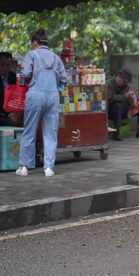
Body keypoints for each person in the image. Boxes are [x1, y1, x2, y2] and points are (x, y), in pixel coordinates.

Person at [16, 29, 67, 177]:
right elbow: (64, 79)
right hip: (52, 96)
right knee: (50, 133)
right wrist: (55, 88)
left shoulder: (31, 55)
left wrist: (22, 78)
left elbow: (25, 75)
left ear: (35, 42)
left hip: (35, 95)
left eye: (31, 43)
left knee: (29, 130)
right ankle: (49, 168)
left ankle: (24, 166)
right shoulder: (56, 58)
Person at [105, 70, 139, 140]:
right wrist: (125, 96)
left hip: (125, 109)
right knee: (117, 106)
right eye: (123, 81)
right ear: (118, 78)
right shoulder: (109, 84)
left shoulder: (126, 85)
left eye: (126, 82)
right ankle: (117, 133)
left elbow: (130, 99)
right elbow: (110, 98)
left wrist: (133, 98)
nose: (124, 83)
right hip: (112, 110)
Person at [0, 52, 19, 126]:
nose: (5, 68)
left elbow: (18, 96)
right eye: (2, 65)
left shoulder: (14, 77)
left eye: (8, 65)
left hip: (10, 113)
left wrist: (14, 112)